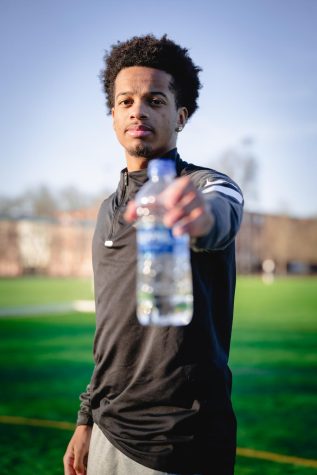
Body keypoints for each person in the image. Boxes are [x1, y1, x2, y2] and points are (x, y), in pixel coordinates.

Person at [63, 34, 244, 475]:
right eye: (125, 101)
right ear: (113, 115)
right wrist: (87, 417)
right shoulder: (109, 209)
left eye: (155, 100)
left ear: (180, 116)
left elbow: (224, 210)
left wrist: (198, 216)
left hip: (180, 440)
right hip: (108, 430)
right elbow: (111, 328)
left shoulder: (204, 186)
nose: (137, 110)